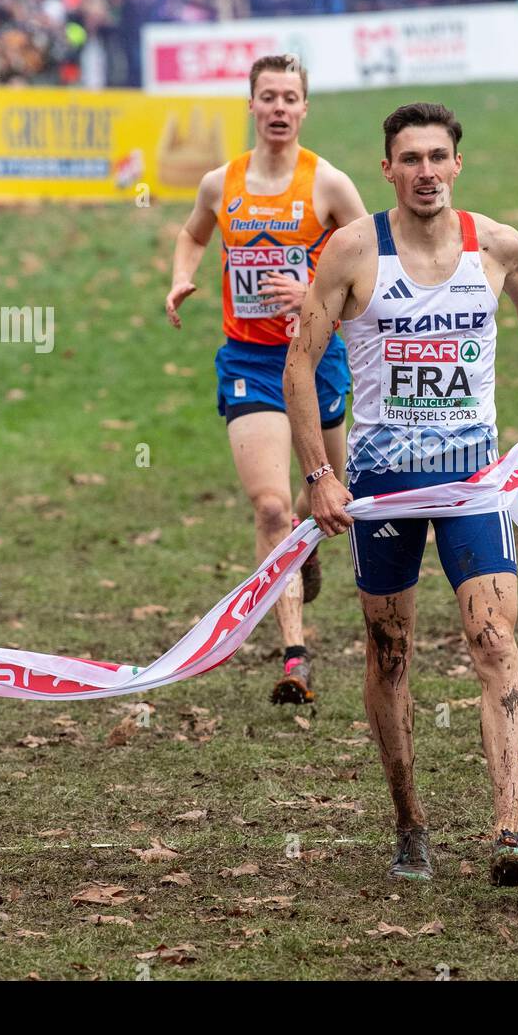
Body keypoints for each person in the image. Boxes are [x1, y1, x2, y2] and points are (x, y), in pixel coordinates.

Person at [284, 102, 518, 886]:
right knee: (390, 653)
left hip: (473, 482)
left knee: (495, 642)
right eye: (408, 159)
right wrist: (319, 476)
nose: (424, 172)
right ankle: (409, 820)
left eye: (437, 157)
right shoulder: (352, 251)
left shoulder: (498, 246)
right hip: (381, 488)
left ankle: (509, 831)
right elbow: (299, 367)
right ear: (387, 170)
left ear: (456, 164)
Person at [164, 54, 367, 705]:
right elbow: (193, 235)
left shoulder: (329, 184)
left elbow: (370, 263)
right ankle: (294, 654)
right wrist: (181, 276)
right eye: (268, 97)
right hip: (250, 362)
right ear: (251, 106)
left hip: (316, 360)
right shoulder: (220, 184)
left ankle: (304, 550)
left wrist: (312, 288)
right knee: (275, 505)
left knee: (329, 495)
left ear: (305, 109)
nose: (279, 108)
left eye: (290, 97)